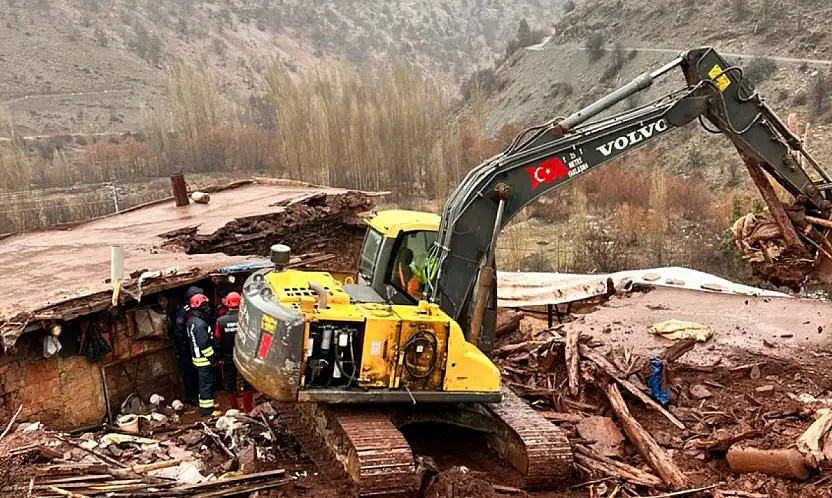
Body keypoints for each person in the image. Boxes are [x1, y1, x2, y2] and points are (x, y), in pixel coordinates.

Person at [215, 292, 255, 413]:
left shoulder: (220, 321)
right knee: (247, 381)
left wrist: (219, 356)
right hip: (245, 356)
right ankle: (248, 408)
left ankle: (235, 408)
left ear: (227, 303)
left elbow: (217, 341)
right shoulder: (249, 319)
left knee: (229, 382)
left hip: (228, 357)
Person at [186, 293, 218, 416]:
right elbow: (204, 345)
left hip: (197, 357)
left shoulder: (192, 321)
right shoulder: (200, 325)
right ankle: (207, 410)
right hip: (204, 359)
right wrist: (212, 358)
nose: (208, 308)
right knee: (206, 383)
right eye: (205, 305)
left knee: (204, 382)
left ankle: (207, 403)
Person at [170, 286, 202, 406]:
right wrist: (185, 347)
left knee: (198, 372)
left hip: (193, 346)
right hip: (186, 348)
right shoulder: (182, 311)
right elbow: (178, 331)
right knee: (189, 372)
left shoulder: (194, 309)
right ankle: (192, 397)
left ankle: (199, 394)